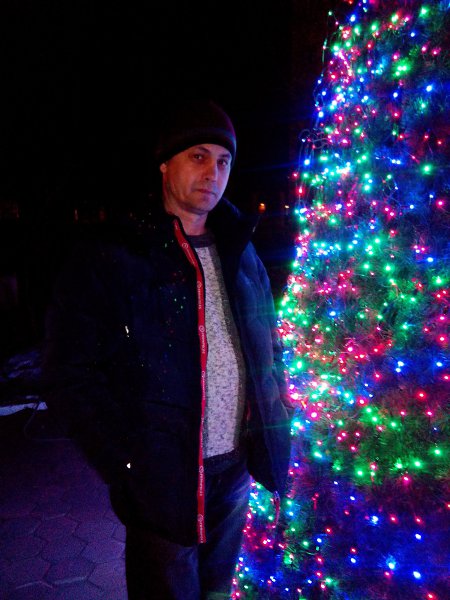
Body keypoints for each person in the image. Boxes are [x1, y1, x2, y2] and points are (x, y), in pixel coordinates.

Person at [43, 97, 292, 599]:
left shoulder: (241, 250)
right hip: (162, 480)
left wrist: (276, 418)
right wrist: (126, 463)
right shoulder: (115, 256)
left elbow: (270, 347)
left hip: (234, 471)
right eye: (198, 156)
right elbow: (69, 373)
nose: (213, 173)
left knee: (219, 589)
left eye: (223, 161)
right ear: (164, 163)